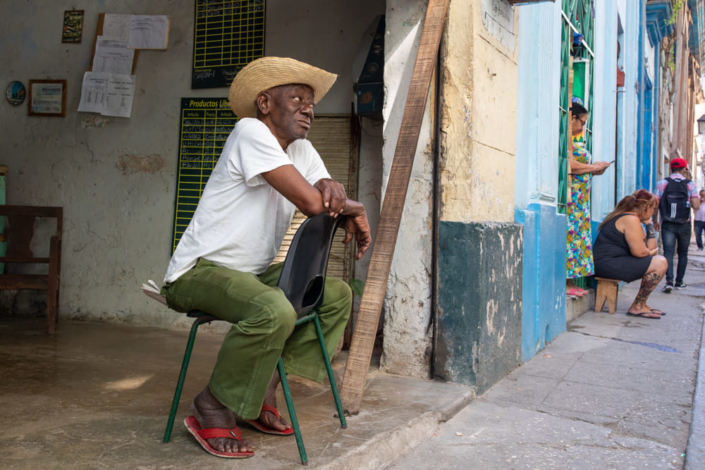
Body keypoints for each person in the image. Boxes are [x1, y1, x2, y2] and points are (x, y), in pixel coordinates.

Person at [160, 57, 372, 459]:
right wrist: (355, 210)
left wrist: (335, 193)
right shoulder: (249, 131)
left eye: (310, 102)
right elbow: (315, 203)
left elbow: (329, 200)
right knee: (274, 310)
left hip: (250, 276)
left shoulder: (303, 151)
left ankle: (262, 389)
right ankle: (212, 405)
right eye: (297, 99)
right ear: (264, 103)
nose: (309, 108)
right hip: (199, 272)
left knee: (337, 296)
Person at [594, 190, 667, 319]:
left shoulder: (630, 218)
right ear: (647, 208)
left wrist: (649, 224)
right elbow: (640, 252)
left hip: (610, 263)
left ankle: (642, 304)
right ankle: (637, 306)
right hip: (607, 264)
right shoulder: (630, 219)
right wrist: (649, 252)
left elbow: (651, 248)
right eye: (653, 209)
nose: (653, 213)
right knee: (660, 263)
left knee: (659, 260)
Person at [566, 98, 613, 297]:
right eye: (582, 123)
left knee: (577, 239)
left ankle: (570, 281)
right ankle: (566, 283)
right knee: (571, 239)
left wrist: (594, 170)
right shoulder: (565, 138)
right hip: (571, 197)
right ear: (573, 118)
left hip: (581, 199)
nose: (582, 128)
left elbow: (580, 168)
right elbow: (569, 165)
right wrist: (593, 167)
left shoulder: (572, 139)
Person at [654, 157, 700, 292]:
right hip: (684, 223)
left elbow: (655, 204)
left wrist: (655, 220)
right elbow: (696, 206)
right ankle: (679, 282)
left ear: (670, 168)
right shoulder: (690, 184)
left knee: (668, 251)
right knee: (683, 253)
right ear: (685, 169)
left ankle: (668, 281)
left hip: (667, 223)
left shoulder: (662, 183)